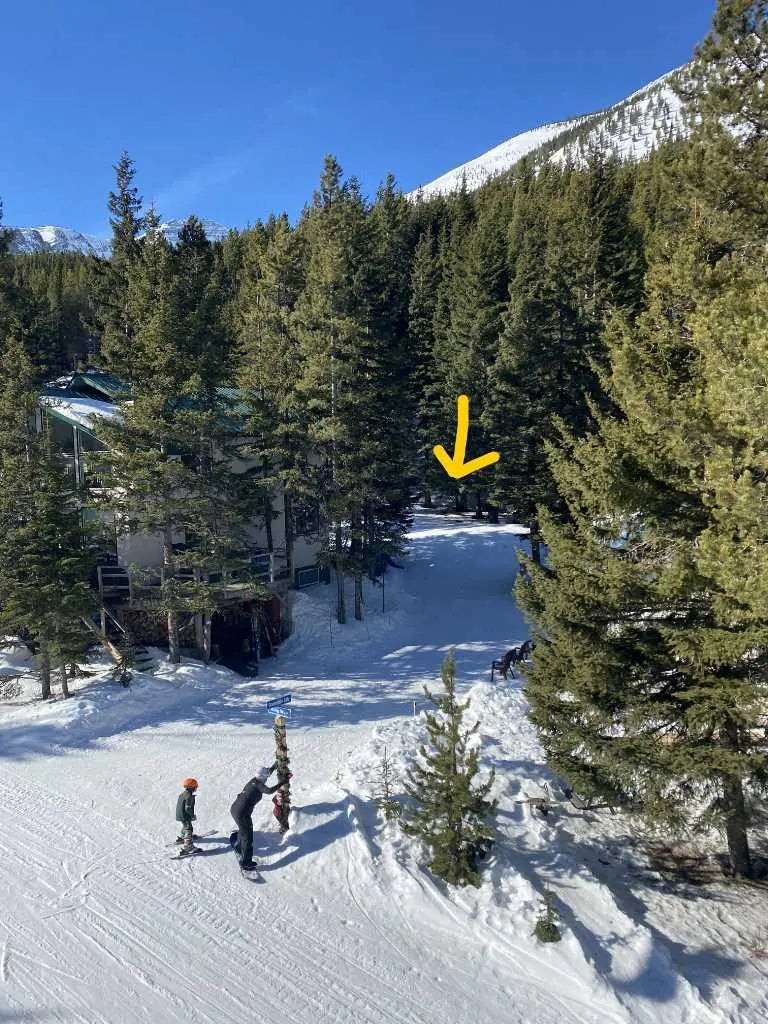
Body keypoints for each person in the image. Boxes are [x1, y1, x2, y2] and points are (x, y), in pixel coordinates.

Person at [230, 764, 283, 869]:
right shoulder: (258, 784)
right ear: (262, 777)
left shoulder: (254, 780)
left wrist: (276, 764)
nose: (267, 779)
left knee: (243, 829)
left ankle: (240, 847)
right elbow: (269, 791)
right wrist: (282, 782)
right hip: (242, 813)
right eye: (266, 777)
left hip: (236, 809)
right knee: (248, 836)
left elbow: (267, 772)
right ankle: (246, 862)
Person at [175, 777, 200, 856]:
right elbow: (188, 808)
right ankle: (188, 846)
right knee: (188, 829)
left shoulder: (183, 794)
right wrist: (192, 815)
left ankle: (183, 837)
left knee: (185, 826)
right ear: (192, 787)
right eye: (195, 787)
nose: (196, 788)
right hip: (185, 815)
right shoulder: (189, 796)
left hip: (180, 814)